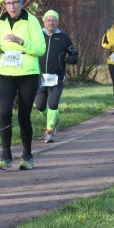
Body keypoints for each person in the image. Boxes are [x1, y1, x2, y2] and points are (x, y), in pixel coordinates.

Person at [0, 0, 46, 171]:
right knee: (4, 112)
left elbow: (40, 49)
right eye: (8, 3)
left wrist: (20, 41)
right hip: (6, 72)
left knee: (23, 115)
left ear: (22, 3)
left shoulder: (31, 21)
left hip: (27, 73)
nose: (11, 6)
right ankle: (5, 155)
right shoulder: (0, 22)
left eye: (15, 2)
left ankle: (27, 156)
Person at [35, 10, 78, 144]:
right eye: (48, 20)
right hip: (39, 77)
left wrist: (70, 59)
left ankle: (49, 132)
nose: (51, 23)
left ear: (57, 22)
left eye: (54, 20)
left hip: (56, 77)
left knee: (53, 104)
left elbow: (74, 53)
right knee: (40, 106)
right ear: (44, 21)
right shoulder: (37, 35)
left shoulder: (63, 38)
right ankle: (54, 117)